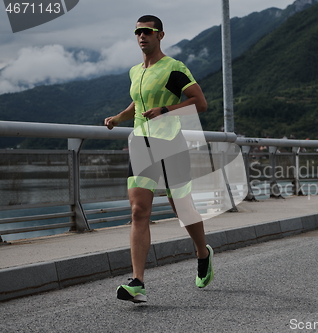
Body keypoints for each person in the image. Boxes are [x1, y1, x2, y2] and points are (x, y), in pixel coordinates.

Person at [104, 15, 213, 303]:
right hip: (141, 145)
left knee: (182, 209)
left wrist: (166, 109)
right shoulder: (134, 71)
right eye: (138, 32)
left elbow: (199, 103)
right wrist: (118, 117)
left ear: (160, 35)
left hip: (170, 145)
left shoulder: (173, 68)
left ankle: (203, 253)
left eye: (148, 32)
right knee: (139, 211)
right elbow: (138, 103)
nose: (142, 36)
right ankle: (137, 282)